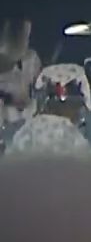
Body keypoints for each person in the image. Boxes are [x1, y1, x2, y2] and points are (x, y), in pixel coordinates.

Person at [0, 18, 42, 146]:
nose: (25, 42)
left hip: (27, 121)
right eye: (21, 37)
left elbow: (39, 85)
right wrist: (9, 100)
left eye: (27, 37)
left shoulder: (31, 58)